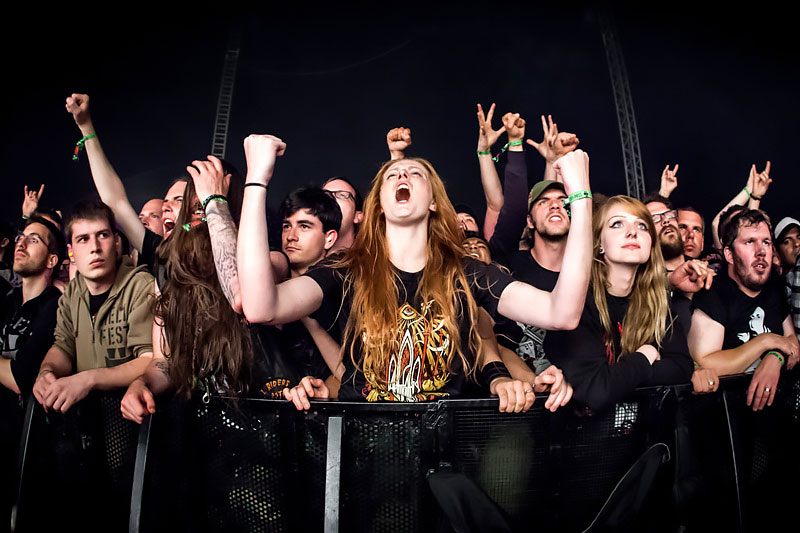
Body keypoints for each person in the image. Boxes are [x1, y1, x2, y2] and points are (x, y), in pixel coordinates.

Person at [237, 134, 593, 412]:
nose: (403, 174)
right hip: (364, 444)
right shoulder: (347, 269)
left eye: (415, 173)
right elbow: (261, 307)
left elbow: (560, 313)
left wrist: (581, 196)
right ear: (378, 205)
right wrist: (256, 181)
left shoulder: (468, 273)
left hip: (438, 448)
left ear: (434, 201)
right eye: (392, 174)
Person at [544, 196, 695, 412]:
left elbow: (682, 368)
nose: (632, 231)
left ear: (651, 243)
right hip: (582, 437)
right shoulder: (579, 301)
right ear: (600, 244)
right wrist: (647, 354)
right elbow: (597, 391)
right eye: (617, 223)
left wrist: (618, 375)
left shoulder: (657, 300)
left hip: (639, 437)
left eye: (642, 225)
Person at [31, 201, 155, 413]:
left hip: (134, 418)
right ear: (71, 252)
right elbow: (63, 346)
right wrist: (46, 371)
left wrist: (89, 379)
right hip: (88, 419)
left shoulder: (140, 285)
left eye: (103, 235)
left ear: (116, 241)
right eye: (83, 239)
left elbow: (150, 360)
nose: (95, 248)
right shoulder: (72, 293)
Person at [689, 209, 799, 411]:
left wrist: (775, 357)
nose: (761, 251)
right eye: (750, 242)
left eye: (766, 242)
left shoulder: (774, 289)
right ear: (729, 254)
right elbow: (706, 363)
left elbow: (792, 343)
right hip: (728, 421)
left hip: (775, 418)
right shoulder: (713, 294)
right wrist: (765, 341)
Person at [0, 217, 65, 398]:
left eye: (34, 239)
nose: (21, 244)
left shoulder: (55, 307)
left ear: (51, 260)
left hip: (18, 422)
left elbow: (18, 378)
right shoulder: (8, 299)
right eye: (20, 237)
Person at [323, 177, 362, 251]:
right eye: (325, 196)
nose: (330, 198)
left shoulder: (371, 260)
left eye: (342, 195)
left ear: (357, 216)